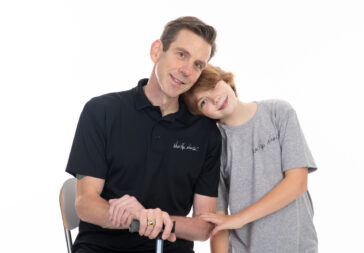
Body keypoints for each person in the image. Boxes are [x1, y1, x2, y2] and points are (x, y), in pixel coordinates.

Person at [65, 16, 222, 253]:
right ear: (157, 51)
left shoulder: (206, 133)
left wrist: (153, 220)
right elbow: (85, 203)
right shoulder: (102, 111)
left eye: (198, 64)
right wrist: (137, 218)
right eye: (181, 54)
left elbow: (202, 227)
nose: (187, 71)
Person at [183, 64, 318, 253]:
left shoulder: (278, 112)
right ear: (200, 115)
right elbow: (219, 221)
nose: (214, 98)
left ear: (226, 80)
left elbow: (297, 183)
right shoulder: (215, 147)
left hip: (298, 247)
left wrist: (238, 218)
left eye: (213, 86)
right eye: (203, 102)